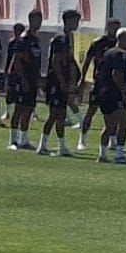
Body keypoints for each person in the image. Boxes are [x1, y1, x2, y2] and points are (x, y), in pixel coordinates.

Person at [88, 25, 126, 162]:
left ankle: (102, 154)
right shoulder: (119, 54)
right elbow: (116, 74)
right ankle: (119, 155)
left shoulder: (109, 52)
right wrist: (124, 91)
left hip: (104, 93)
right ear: (123, 39)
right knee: (124, 123)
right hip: (114, 93)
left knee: (110, 125)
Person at [75, 17, 122, 145]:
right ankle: (82, 138)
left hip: (113, 84)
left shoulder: (119, 45)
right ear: (107, 27)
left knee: (114, 114)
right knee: (91, 110)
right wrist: (83, 78)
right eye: (113, 27)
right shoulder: (98, 42)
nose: (115, 30)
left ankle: (112, 141)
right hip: (99, 82)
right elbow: (87, 60)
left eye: (117, 27)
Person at [37, 13, 78, 156]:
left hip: (62, 82)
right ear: (68, 21)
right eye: (75, 21)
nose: (77, 24)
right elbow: (55, 62)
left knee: (60, 115)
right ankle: (42, 145)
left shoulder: (68, 38)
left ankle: (61, 146)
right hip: (56, 82)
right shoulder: (60, 39)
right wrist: (61, 82)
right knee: (54, 115)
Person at [3, 21, 41, 150]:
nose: (39, 23)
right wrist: (22, 78)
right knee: (19, 109)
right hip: (22, 79)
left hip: (32, 79)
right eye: (36, 19)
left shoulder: (36, 40)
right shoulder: (23, 40)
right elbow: (17, 61)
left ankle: (23, 140)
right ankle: (12, 140)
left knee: (29, 109)